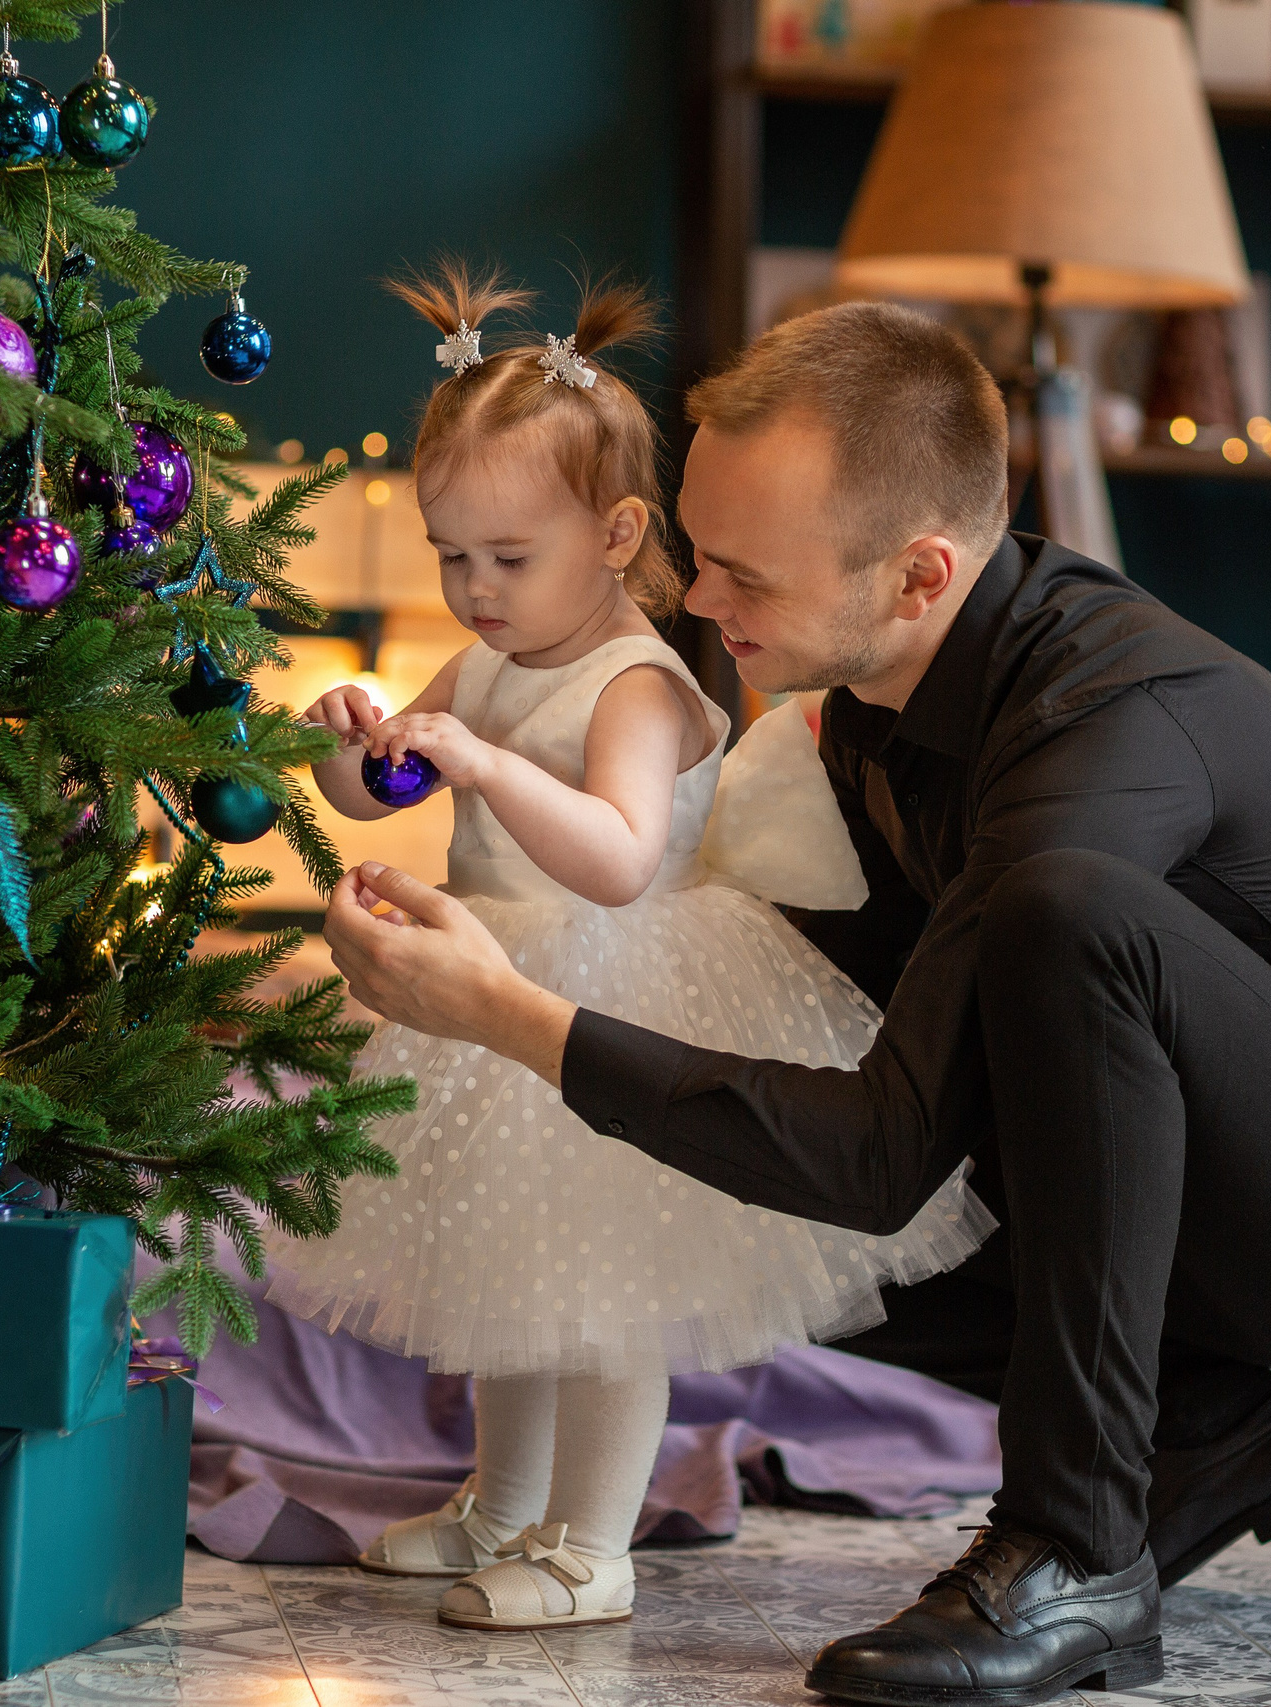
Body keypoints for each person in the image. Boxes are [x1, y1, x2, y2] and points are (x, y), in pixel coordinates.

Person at [320, 301, 1271, 1705]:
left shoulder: (1101, 723)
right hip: (1213, 1180)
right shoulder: (869, 714)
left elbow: (882, 1158)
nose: (698, 604)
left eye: (742, 576)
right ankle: (1199, 1432)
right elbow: (843, 1123)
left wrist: (510, 1018)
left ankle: (1076, 1546)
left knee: (1066, 911)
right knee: (741, 1161)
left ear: (918, 575)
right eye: (698, 553)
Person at [267, 269, 995, 1633]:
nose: (474, 592)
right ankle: (501, 1505)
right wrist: (355, 738)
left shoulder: (638, 683)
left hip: (621, 1001)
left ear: (613, 535)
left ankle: (589, 1544)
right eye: (451, 556)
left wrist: (479, 761)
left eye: (507, 557)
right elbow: (374, 795)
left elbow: (610, 855)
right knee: (506, 1276)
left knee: (602, 1296)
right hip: (493, 988)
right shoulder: (482, 662)